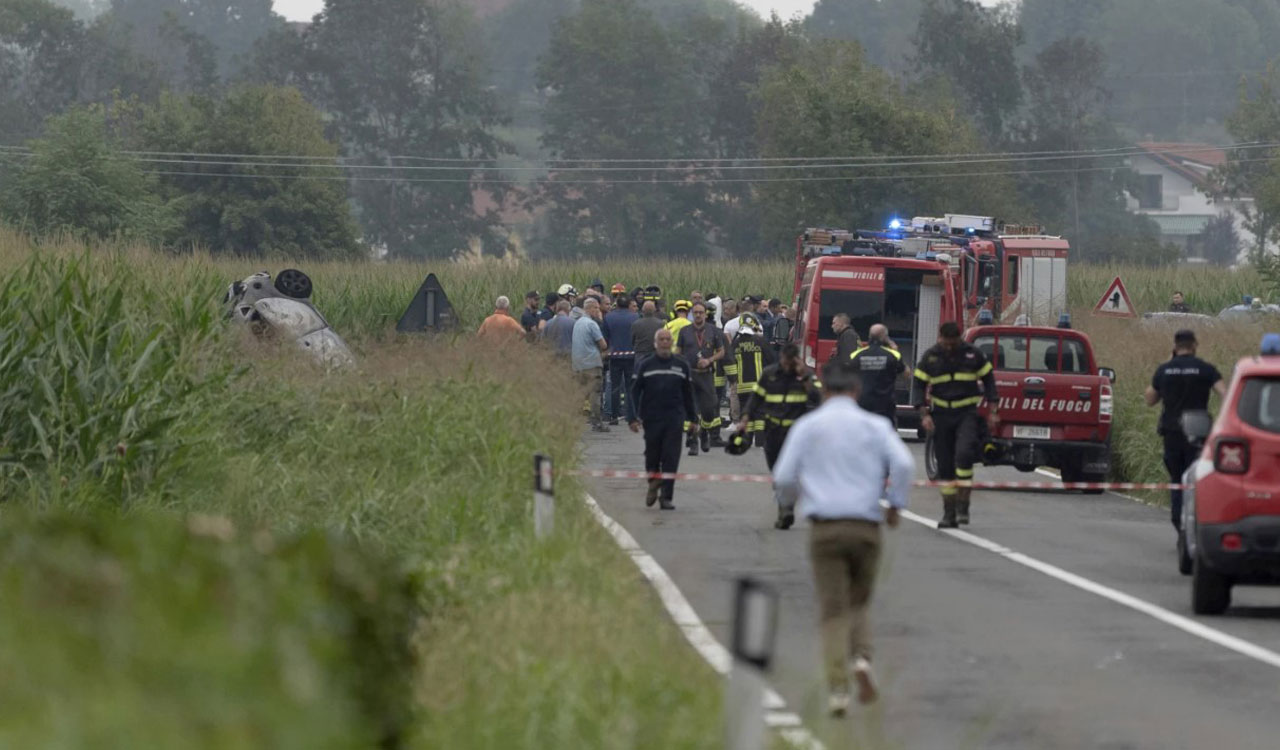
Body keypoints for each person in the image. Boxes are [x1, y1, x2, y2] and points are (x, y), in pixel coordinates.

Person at [771, 361, 914, 715]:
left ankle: (838, 689)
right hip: (866, 527)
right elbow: (905, 465)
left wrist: (789, 503)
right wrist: (895, 505)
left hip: (826, 528)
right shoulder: (875, 425)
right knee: (858, 602)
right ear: (856, 391)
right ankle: (862, 660)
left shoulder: (808, 426)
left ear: (823, 391)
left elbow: (784, 475)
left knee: (832, 609)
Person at [913, 322, 999, 529]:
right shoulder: (931, 357)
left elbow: (989, 380)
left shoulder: (972, 355)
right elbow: (918, 385)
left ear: (959, 339)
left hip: (966, 413)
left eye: (954, 343)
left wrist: (993, 410)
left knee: (964, 455)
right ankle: (948, 513)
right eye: (946, 343)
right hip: (941, 415)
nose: (950, 347)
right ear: (940, 338)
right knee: (945, 467)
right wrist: (923, 413)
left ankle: (963, 506)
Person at [1145, 329, 1227, 530]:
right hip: (1198, 433)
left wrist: (1169, 361)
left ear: (1175, 346)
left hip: (1172, 433)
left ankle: (1178, 520)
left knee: (1177, 478)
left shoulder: (1165, 370)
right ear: (1195, 345)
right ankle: (1196, 521)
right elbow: (1226, 395)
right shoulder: (1206, 369)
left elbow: (1150, 399)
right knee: (1197, 479)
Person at [738, 343, 822, 528]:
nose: (787, 366)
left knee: (791, 472)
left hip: (795, 433)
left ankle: (786, 508)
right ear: (781, 358)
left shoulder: (804, 374)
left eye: (790, 362)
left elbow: (818, 397)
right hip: (773, 430)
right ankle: (785, 503)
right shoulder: (770, 374)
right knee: (776, 470)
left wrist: (804, 376)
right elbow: (756, 398)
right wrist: (745, 417)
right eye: (784, 361)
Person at [628, 328, 699, 510]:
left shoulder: (681, 365)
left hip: (674, 418)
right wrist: (632, 417)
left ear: (672, 342)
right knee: (652, 455)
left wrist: (694, 419)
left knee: (671, 457)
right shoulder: (646, 364)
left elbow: (688, 394)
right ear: (655, 343)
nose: (665, 342)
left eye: (668, 339)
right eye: (662, 339)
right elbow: (634, 392)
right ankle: (653, 480)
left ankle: (666, 497)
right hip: (651, 418)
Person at [675, 302, 727, 455]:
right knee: (691, 411)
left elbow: (721, 352)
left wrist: (709, 360)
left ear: (705, 314)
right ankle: (693, 442)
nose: (698, 315)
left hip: (706, 375)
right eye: (695, 312)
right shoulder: (684, 331)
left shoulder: (713, 331)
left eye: (700, 312)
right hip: (690, 374)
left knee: (709, 409)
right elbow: (678, 351)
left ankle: (704, 432)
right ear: (692, 314)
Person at [724, 315, 776, 439]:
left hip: (742, 387)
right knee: (759, 413)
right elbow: (771, 360)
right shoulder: (760, 341)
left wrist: (732, 380)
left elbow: (729, 362)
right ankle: (759, 441)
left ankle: (747, 438)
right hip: (758, 386)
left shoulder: (736, 344)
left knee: (746, 412)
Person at [851, 324, 905, 427]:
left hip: (862, 404)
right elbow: (906, 374)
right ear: (884, 337)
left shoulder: (856, 355)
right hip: (885, 406)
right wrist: (896, 350)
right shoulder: (893, 355)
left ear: (869, 336)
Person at [572, 298, 610, 432]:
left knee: (580, 394)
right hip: (592, 364)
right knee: (595, 393)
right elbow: (603, 345)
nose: (598, 311)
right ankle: (596, 422)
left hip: (578, 364)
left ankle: (575, 422)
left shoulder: (577, 323)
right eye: (596, 308)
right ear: (589, 308)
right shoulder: (591, 324)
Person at [603, 296, 640, 425]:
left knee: (615, 386)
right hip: (631, 356)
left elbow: (605, 338)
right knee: (631, 387)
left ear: (617, 304)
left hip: (614, 356)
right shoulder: (635, 317)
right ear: (628, 304)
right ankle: (631, 415)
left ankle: (613, 416)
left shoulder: (609, 317)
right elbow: (637, 336)